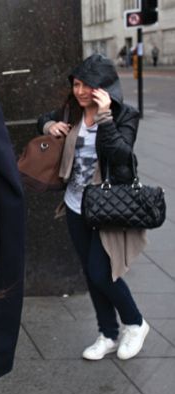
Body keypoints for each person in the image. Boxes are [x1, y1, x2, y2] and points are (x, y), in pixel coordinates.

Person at [37, 54, 149, 361]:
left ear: (105, 87)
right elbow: (41, 120)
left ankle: (136, 322)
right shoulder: (71, 110)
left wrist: (103, 116)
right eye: (77, 84)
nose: (81, 91)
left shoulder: (124, 115)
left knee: (102, 272)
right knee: (90, 271)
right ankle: (108, 334)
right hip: (76, 205)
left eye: (89, 85)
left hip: (108, 205)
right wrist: (50, 125)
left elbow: (121, 153)